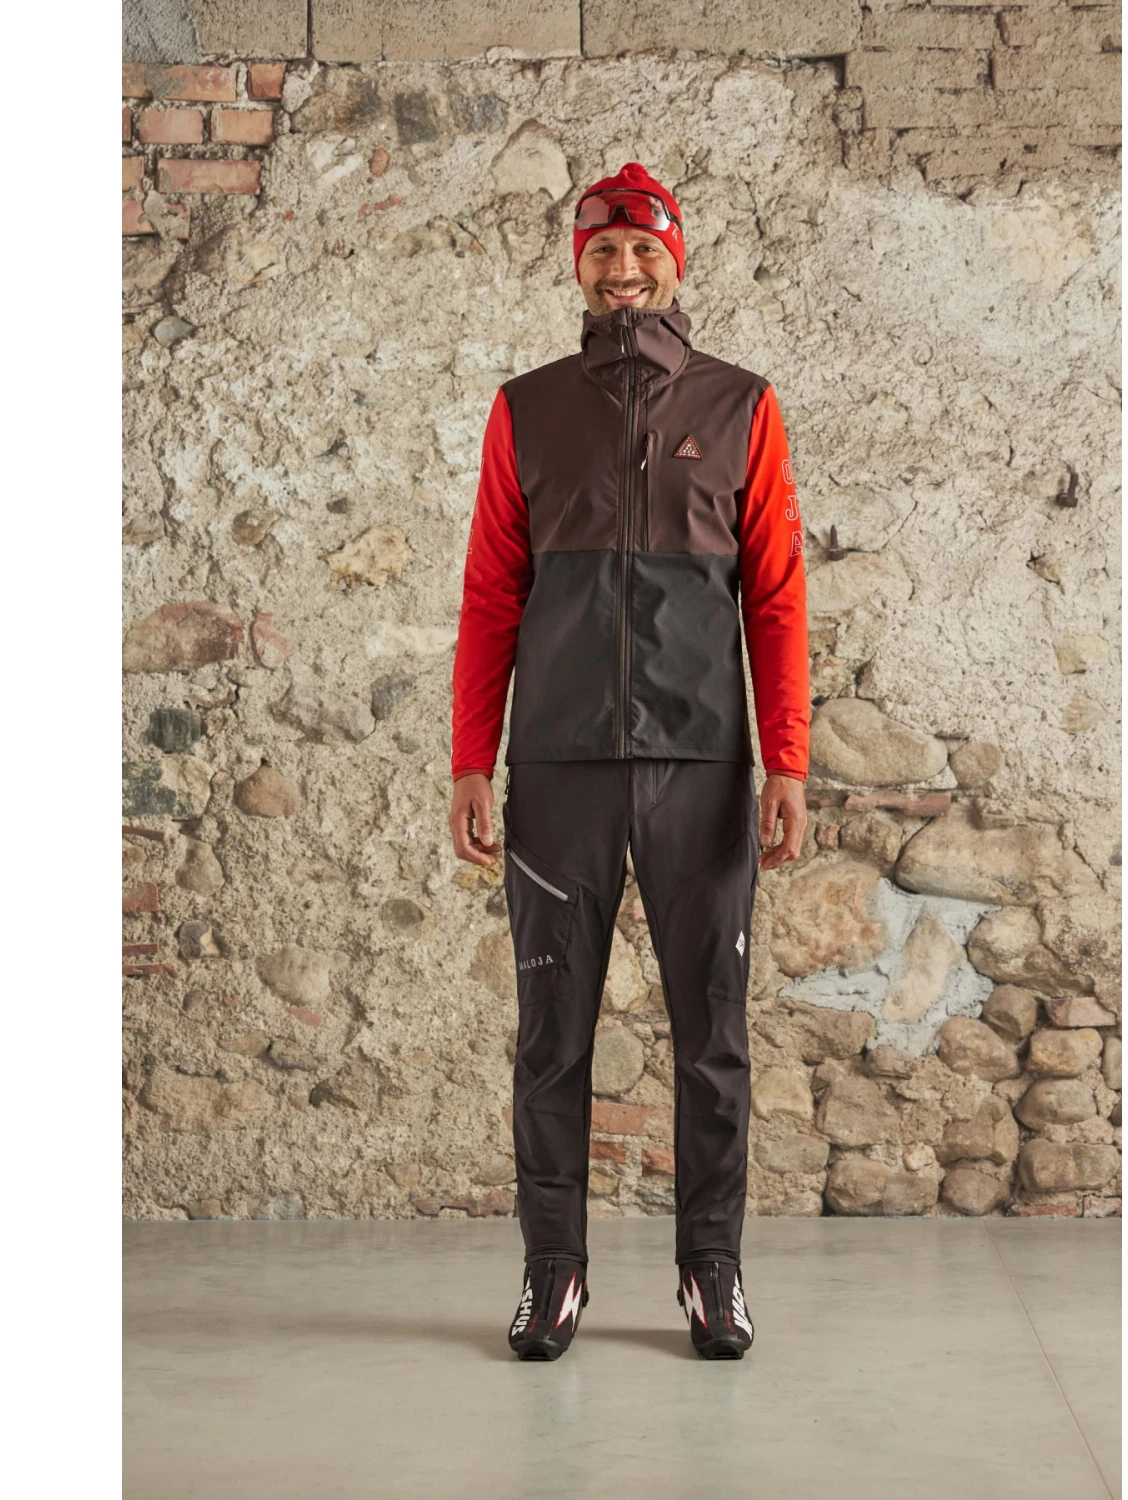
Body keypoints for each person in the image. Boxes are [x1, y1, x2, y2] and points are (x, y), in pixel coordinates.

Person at [447, 162, 810, 1360]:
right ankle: (553, 1274)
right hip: (558, 768)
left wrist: (787, 763)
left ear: (675, 260)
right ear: (578, 266)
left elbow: (776, 596)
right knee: (550, 1033)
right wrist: (471, 757)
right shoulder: (527, 409)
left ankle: (713, 1273)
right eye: (602, 250)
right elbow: (492, 593)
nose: (623, 268)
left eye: (644, 248)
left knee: (714, 1035)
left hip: (702, 766)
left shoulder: (741, 405)